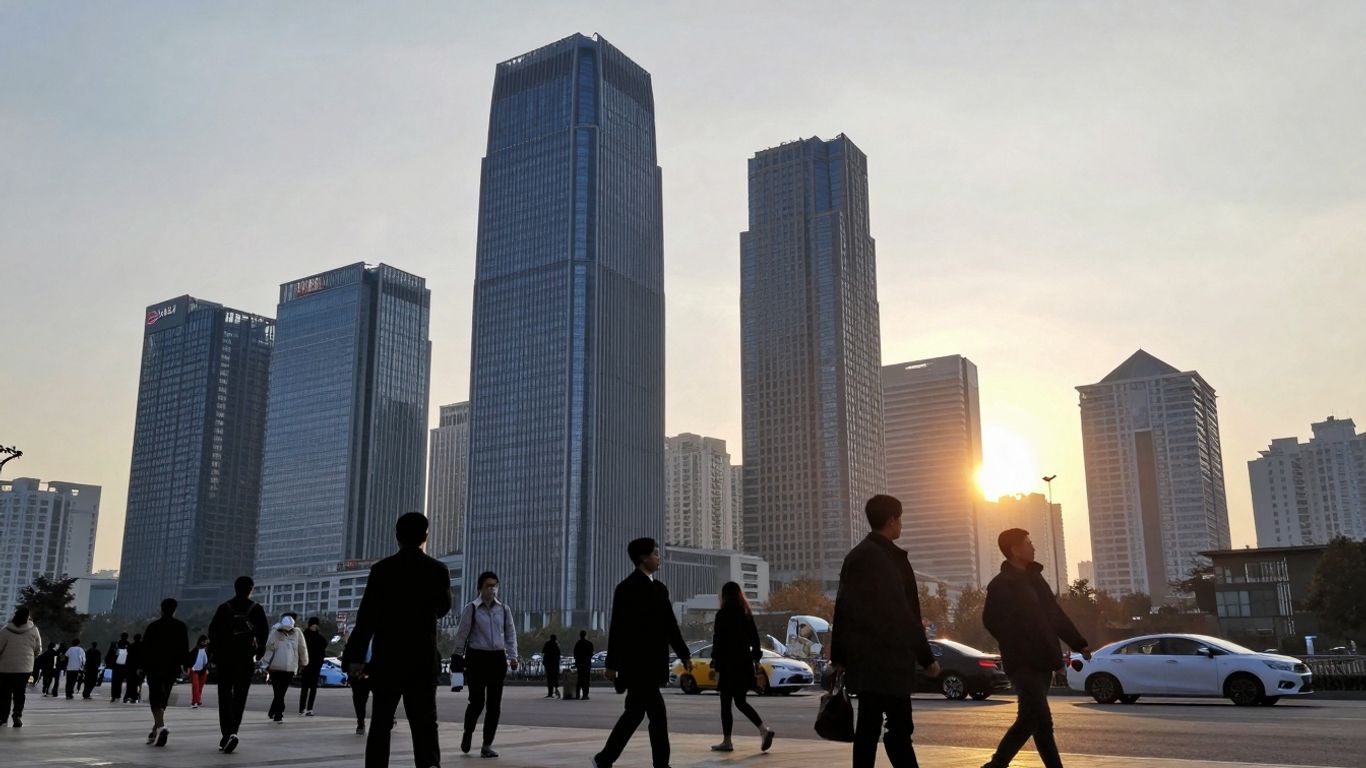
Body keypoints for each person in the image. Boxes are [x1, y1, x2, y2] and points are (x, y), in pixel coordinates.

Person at [831, 495, 939, 768]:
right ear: (892, 520)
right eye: (900, 519)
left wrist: (839, 657)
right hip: (891, 660)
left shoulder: (856, 556)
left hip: (864, 661)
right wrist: (926, 657)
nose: (901, 524)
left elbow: (842, 610)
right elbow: (905, 614)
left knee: (867, 728)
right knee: (899, 730)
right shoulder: (891, 559)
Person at [343, 512, 453, 768]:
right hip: (422, 660)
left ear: (397, 537)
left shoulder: (381, 570)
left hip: (387, 659)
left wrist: (355, 658)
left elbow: (366, 618)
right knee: (425, 725)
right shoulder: (438, 570)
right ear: (426, 536)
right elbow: (444, 607)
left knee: (381, 723)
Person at [981, 528, 1090, 768]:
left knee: (1041, 722)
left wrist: (1078, 642)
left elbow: (1054, 615)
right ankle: (995, 765)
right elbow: (991, 620)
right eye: (1028, 543)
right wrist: (1017, 640)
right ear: (1015, 549)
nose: (1033, 547)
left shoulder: (1035, 578)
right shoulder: (1001, 584)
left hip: (1043, 659)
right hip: (1022, 662)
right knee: (1031, 718)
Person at [592, 538, 692, 768]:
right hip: (635, 665)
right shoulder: (626, 588)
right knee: (657, 713)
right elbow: (617, 628)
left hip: (653, 662)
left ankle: (604, 758)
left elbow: (670, 625)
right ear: (643, 558)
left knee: (634, 714)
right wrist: (612, 664)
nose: (659, 558)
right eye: (655, 554)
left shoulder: (659, 588)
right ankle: (661, 765)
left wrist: (684, 654)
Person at [451, 571, 519, 758]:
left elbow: (510, 634)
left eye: (495, 585)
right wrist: (457, 656)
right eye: (488, 585)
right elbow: (462, 635)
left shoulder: (504, 609)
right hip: (476, 659)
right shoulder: (471, 609)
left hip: (497, 658)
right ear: (480, 588)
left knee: (494, 705)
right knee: (477, 702)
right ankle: (468, 732)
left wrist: (513, 657)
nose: (492, 589)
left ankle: (487, 745)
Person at [710, 581, 774, 753]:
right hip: (743, 663)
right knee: (740, 701)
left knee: (726, 703)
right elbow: (755, 639)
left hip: (728, 664)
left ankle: (727, 741)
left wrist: (714, 660)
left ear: (724, 596)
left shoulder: (722, 614)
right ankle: (763, 730)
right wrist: (755, 659)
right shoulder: (746, 613)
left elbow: (718, 641)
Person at [208, 575, 269, 754]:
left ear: (235, 588)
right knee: (240, 696)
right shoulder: (256, 609)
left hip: (225, 659)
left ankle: (226, 734)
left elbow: (213, 632)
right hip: (244, 659)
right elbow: (263, 632)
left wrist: (215, 652)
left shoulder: (224, 608)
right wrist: (260, 649)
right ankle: (234, 731)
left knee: (224, 695)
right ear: (251, 589)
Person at [142, 597, 190, 747]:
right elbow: (184, 647)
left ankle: (161, 727)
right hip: (172, 667)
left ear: (161, 609)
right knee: (164, 697)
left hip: (154, 666)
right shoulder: (180, 626)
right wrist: (186, 665)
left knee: (155, 698)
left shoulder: (153, 626)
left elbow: (146, 648)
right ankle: (155, 729)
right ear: (175, 609)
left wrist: (141, 667)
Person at [0, 606, 43, 727]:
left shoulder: (5, 630)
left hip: (5, 668)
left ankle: (3, 718)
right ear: (28, 617)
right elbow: (38, 649)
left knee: (4, 693)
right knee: (20, 692)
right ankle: (17, 716)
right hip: (24, 668)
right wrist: (30, 657)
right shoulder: (34, 630)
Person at [263, 614, 307, 723]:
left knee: (281, 692)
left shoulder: (297, 633)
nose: (287, 631)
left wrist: (304, 661)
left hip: (290, 668)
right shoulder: (274, 632)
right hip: (275, 667)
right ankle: (278, 714)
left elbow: (302, 647)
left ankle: (274, 711)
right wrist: (264, 663)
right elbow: (269, 649)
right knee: (279, 692)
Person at [298, 616, 328, 716]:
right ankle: (302, 708)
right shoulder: (304, 635)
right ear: (310, 625)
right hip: (306, 664)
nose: (314, 626)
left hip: (316, 665)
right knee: (305, 688)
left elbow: (324, 646)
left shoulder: (319, 637)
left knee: (313, 688)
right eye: (313, 624)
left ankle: (310, 708)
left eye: (316, 625)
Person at [187, 636, 209, 709]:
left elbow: (207, 661)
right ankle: (194, 702)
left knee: (200, 686)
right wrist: (190, 668)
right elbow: (189, 659)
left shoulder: (206, 650)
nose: (206, 642)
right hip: (195, 670)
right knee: (195, 686)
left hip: (203, 670)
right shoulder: (195, 650)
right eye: (205, 641)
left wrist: (207, 669)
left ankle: (198, 699)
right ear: (201, 641)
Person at [109, 632, 131, 703]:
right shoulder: (129, 645)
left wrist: (110, 664)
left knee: (115, 681)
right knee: (122, 681)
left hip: (116, 665)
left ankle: (114, 696)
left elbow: (110, 654)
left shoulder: (115, 644)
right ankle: (120, 695)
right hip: (125, 666)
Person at [123, 633, 145, 703]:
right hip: (138, 667)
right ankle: (135, 696)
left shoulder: (131, 646)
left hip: (131, 667)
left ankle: (128, 695)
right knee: (137, 683)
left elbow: (128, 657)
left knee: (130, 682)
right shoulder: (142, 646)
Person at [573, 631, 593, 701]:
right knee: (586, 679)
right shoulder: (589, 643)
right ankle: (585, 695)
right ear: (586, 635)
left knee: (579, 679)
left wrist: (577, 660)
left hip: (580, 664)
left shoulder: (578, 643)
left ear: (580, 635)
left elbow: (575, 654)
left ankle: (577, 695)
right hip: (587, 664)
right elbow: (591, 654)